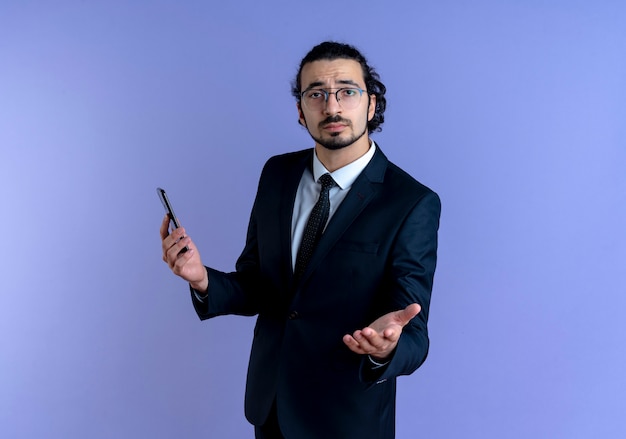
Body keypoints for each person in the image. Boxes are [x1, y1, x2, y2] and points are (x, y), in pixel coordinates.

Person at [160, 41, 441, 439]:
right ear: (300, 110)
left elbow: (413, 330)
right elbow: (260, 286)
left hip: (346, 417)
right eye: (317, 94)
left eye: (347, 91)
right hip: (271, 406)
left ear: (371, 104)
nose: (332, 107)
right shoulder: (277, 174)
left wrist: (386, 348)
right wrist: (201, 278)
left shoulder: (411, 202)